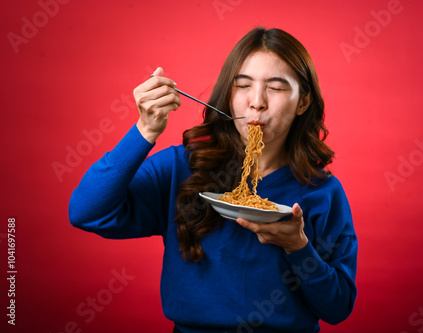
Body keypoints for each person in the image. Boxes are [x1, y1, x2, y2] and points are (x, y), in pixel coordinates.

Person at [69, 27, 357, 333]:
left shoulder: (323, 192)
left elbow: (338, 308)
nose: (256, 102)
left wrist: (296, 245)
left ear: (303, 101)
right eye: (243, 85)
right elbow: (86, 212)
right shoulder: (183, 166)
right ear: (228, 96)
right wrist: (144, 131)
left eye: (276, 87)